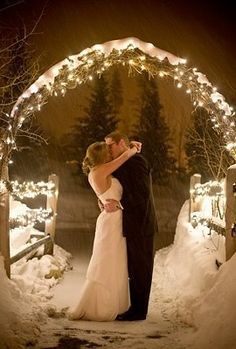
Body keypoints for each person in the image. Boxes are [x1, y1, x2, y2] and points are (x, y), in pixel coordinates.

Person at [68, 140, 141, 321]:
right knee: (107, 261)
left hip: (112, 218)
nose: (110, 154)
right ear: (102, 156)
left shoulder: (98, 171)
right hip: (112, 221)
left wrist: (104, 201)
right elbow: (123, 158)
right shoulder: (100, 170)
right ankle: (101, 306)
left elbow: (105, 194)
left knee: (114, 261)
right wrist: (134, 149)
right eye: (107, 152)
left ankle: (112, 303)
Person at [104, 131, 158, 321]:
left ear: (120, 143)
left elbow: (142, 193)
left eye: (110, 145)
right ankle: (135, 307)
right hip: (132, 223)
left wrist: (119, 204)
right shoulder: (126, 161)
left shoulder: (137, 162)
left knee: (141, 269)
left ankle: (139, 311)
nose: (107, 149)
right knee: (134, 268)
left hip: (142, 223)